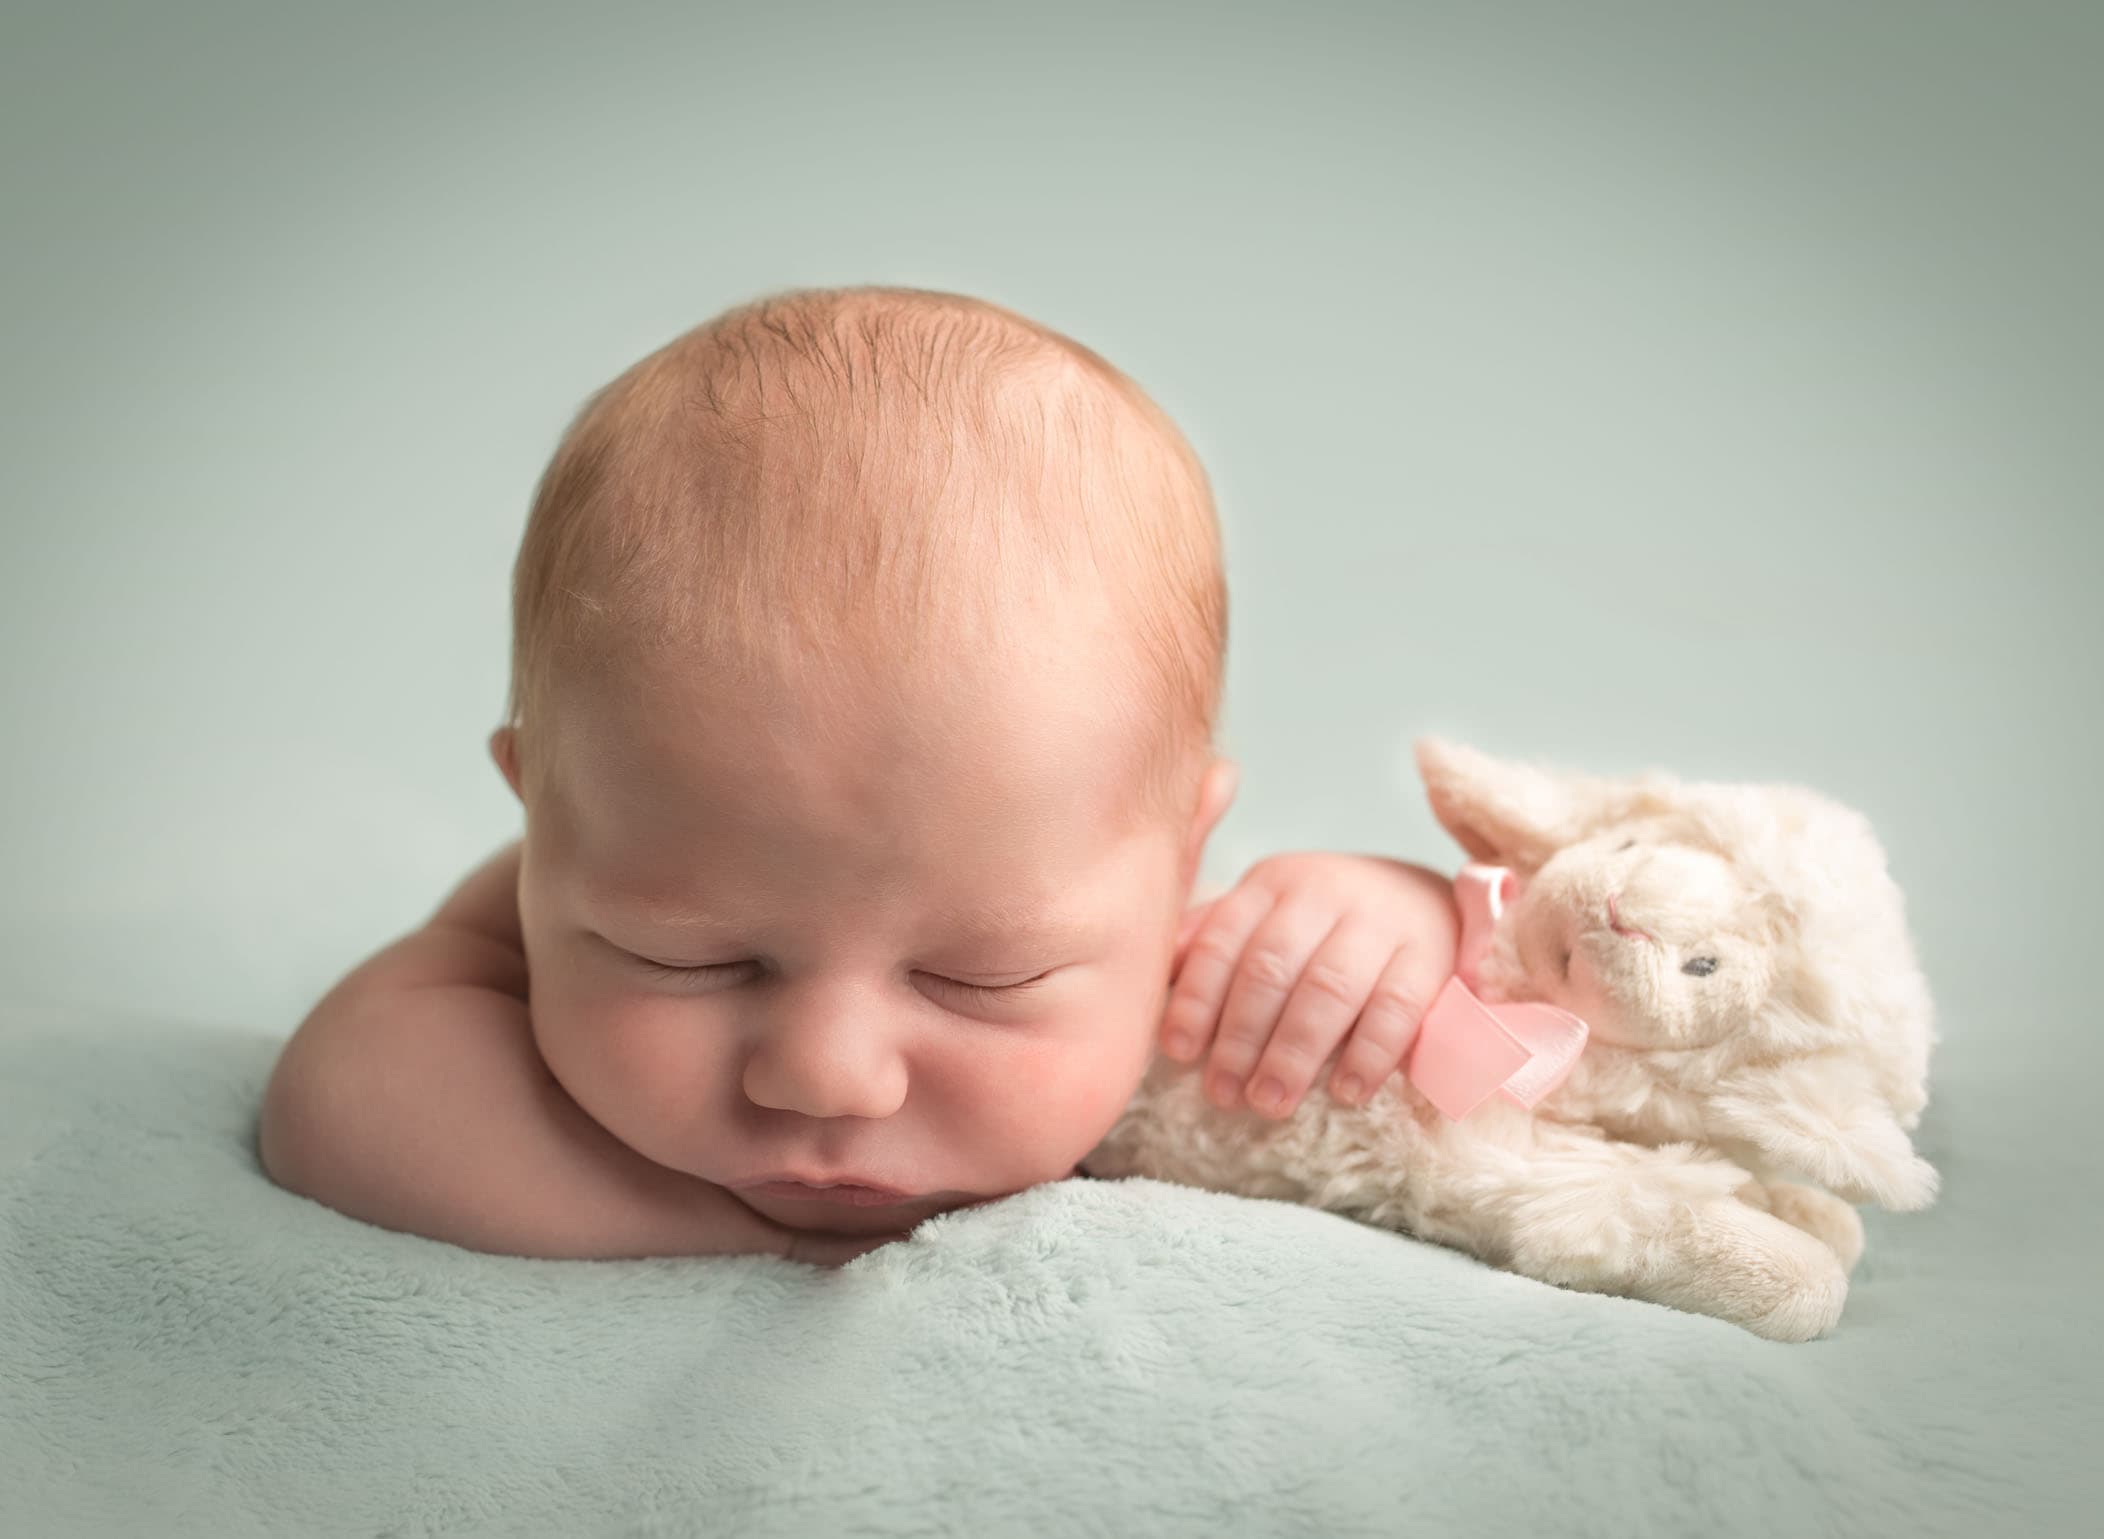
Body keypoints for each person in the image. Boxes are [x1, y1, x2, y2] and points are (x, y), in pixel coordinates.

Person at [256, 285, 1460, 1266]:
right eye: (688, 959)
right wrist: (733, 1248)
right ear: (541, 813)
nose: (827, 1076)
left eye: (980, 975)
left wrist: (1397, 913)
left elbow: (1526, 1010)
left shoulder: (1182, 944)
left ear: (1182, 855)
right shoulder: (528, 912)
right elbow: (346, 1101)